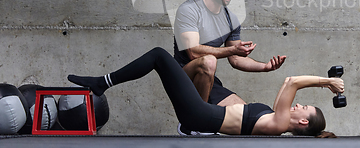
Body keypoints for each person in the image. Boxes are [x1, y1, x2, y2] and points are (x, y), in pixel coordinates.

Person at [68, 47, 343, 137]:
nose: (297, 105)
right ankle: (104, 82)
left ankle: (102, 82)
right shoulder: (274, 117)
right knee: (201, 68)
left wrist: (327, 82)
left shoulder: (280, 123)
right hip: (207, 111)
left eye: (303, 108)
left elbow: (293, 81)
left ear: (303, 122)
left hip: (199, 116)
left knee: (158, 56)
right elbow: (287, 84)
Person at [173, 0, 286, 110]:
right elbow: (194, 52)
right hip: (182, 77)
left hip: (208, 80)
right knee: (208, 61)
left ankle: (200, 120)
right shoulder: (190, 9)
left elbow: (236, 59)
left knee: (246, 116)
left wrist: (265, 67)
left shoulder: (230, 19)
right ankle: (194, 124)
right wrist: (232, 50)